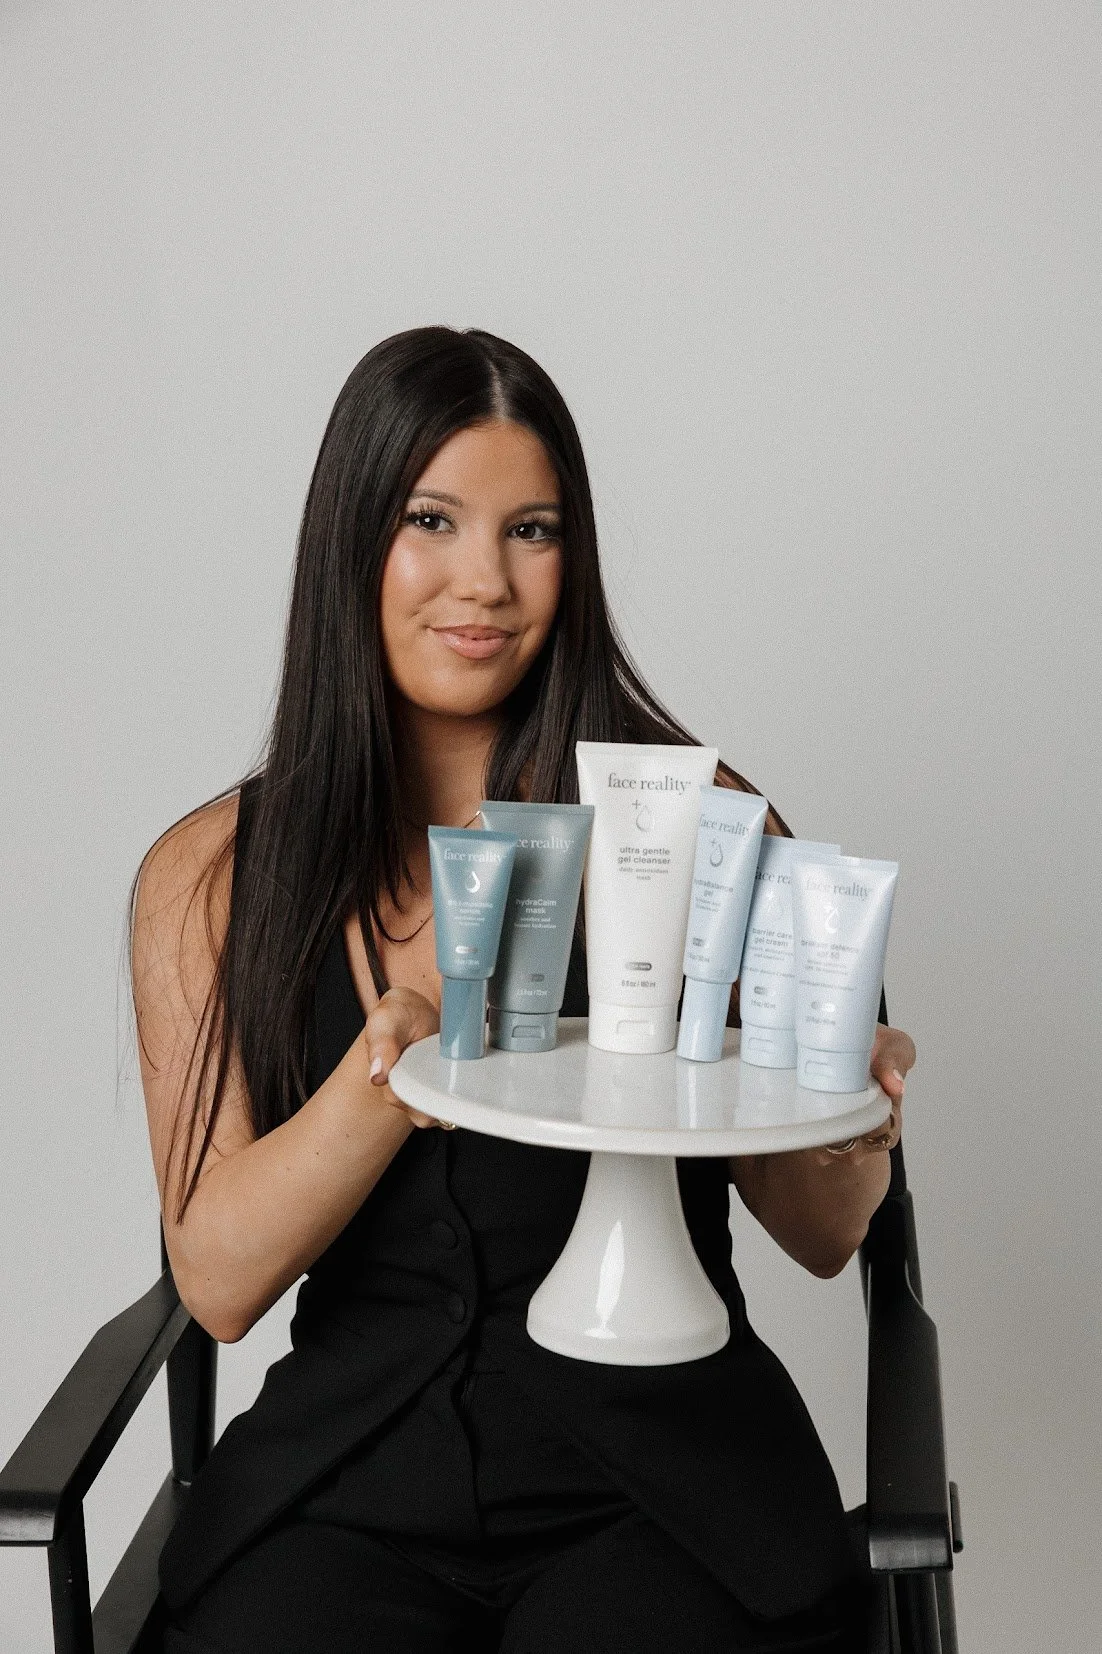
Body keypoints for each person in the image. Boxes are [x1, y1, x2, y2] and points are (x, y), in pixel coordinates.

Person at [132, 326, 915, 1654]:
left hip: (662, 1479)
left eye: (533, 530)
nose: (482, 581)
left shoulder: (698, 819)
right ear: (350, 542)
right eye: (429, 519)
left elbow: (819, 1233)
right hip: (345, 1482)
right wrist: (393, 1064)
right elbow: (215, 1281)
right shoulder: (214, 873)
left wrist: (848, 1122)